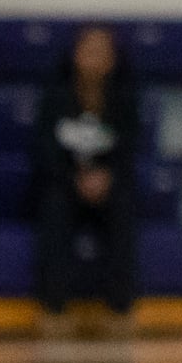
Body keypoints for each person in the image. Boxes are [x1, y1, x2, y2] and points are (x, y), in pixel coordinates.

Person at [33, 25, 143, 327]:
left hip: (109, 183)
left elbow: (130, 147)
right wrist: (73, 179)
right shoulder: (56, 93)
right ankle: (53, 307)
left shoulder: (123, 96)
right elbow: (44, 147)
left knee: (123, 208)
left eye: (101, 53)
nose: (94, 59)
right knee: (54, 208)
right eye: (88, 51)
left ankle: (120, 307)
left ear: (113, 59)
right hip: (65, 182)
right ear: (75, 55)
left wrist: (107, 177)